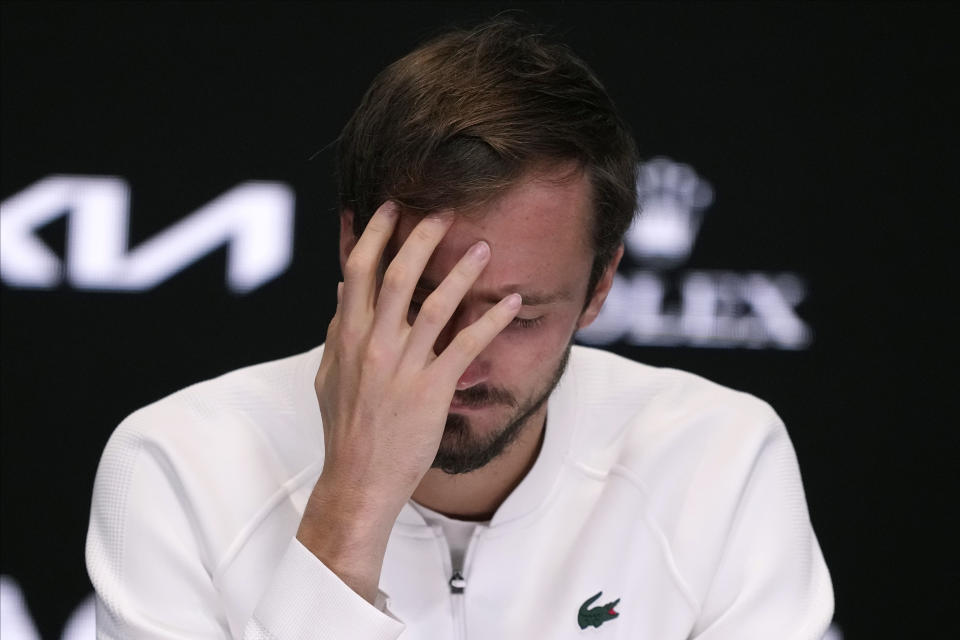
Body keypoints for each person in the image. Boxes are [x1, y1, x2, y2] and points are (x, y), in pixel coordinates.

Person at [86, 18, 833, 639]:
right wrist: (353, 502)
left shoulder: (719, 460)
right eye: (427, 302)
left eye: (520, 316)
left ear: (601, 286)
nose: (460, 367)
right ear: (354, 247)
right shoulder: (176, 466)